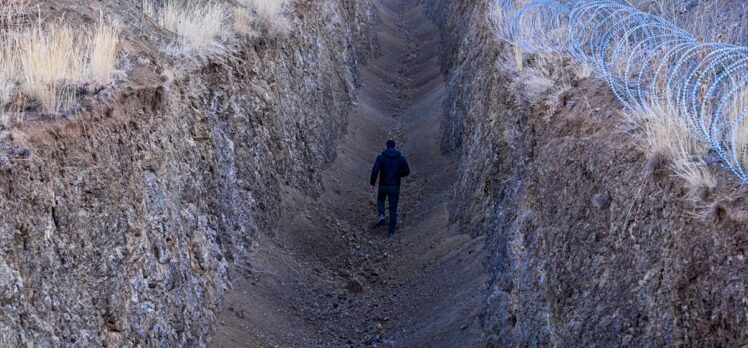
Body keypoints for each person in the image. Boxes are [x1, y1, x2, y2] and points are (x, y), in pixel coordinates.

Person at [370, 140, 410, 237]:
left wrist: (372, 183)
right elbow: (407, 171)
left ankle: (382, 215)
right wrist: (398, 175)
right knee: (393, 209)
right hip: (395, 186)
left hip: (383, 185)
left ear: (386, 146)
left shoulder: (381, 157)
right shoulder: (401, 159)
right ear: (394, 146)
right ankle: (391, 232)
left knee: (380, 200)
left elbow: (375, 170)